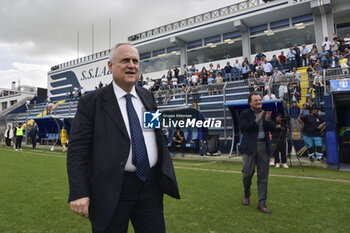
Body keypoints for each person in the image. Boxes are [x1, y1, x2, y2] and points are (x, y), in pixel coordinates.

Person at [67, 43, 180, 233]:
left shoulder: (148, 97)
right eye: (125, 60)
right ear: (110, 66)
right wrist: (79, 191)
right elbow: (77, 150)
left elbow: (155, 133)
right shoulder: (91, 102)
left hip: (150, 186)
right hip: (111, 188)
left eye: (135, 61)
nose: (131, 65)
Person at [239, 92, 275, 214]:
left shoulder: (265, 113)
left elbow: (273, 129)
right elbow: (244, 128)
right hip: (250, 147)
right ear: (250, 103)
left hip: (263, 146)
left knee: (263, 176)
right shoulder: (244, 114)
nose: (259, 102)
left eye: (260, 100)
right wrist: (257, 120)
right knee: (247, 174)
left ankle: (262, 203)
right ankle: (247, 192)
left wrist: (269, 122)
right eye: (256, 100)